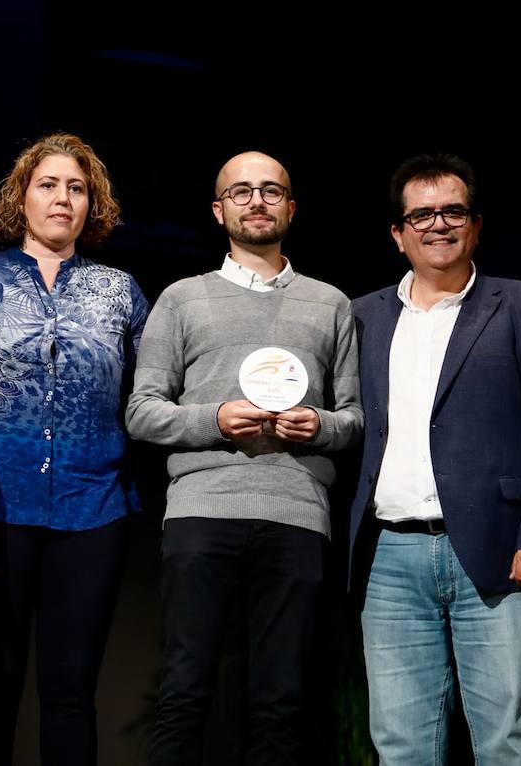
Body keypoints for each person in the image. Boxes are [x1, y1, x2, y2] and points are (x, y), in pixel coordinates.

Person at [347, 154, 521, 765]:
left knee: (508, 744)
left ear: (476, 225)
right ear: (398, 233)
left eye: (452, 210)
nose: (438, 224)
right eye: (421, 214)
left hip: (502, 552)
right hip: (389, 559)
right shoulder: (360, 316)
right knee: (401, 748)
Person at [126, 150, 362, 765]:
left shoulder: (331, 303)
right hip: (202, 508)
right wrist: (214, 419)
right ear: (218, 209)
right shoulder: (181, 298)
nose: (256, 201)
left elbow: (356, 419)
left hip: (297, 512)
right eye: (241, 192)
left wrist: (319, 425)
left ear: (291, 206)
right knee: (184, 689)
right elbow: (143, 410)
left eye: (270, 191)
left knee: (282, 700)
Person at [0, 132, 148, 766]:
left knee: (70, 694)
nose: (63, 198)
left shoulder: (121, 291)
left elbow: (149, 396)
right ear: (21, 197)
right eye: (48, 184)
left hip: (93, 509)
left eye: (77, 187)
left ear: (93, 204)